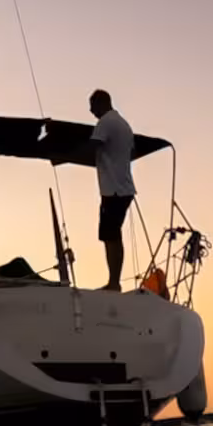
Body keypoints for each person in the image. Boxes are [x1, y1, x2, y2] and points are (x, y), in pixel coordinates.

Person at [87, 89, 135, 290]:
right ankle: (114, 281)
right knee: (113, 235)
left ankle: (114, 282)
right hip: (123, 189)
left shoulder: (106, 123)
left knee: (111, 237)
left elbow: (93, 146)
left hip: (114, 190)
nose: (91, 111)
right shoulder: (124, 125)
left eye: (92, 106)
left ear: (101, 103)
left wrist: (61, 153)